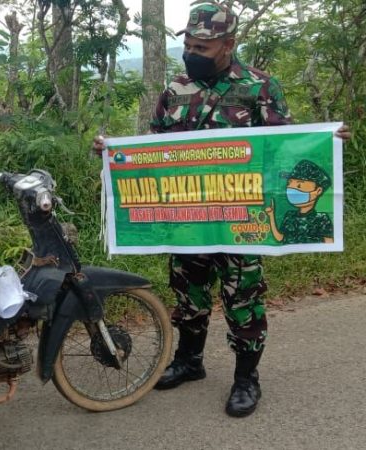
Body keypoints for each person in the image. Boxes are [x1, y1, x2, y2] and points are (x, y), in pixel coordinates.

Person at [94, 1, 351, 417]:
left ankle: (246, 379)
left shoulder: (260, 87)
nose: (192, 53)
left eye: (203, 47)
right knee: (188, 295)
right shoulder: (176, 90)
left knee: (243, 299)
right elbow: (153, 147)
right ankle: (190, 362)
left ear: (229, 44)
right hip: (189, 221)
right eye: (189, 45)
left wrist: (324, 143)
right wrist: (113, 153)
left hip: (242, 221)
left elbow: (286, 149)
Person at [265, 159, 334, 244]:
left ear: (318, 191)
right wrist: (271, 215)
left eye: (299, 185)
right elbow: (280, 238)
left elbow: (329, 242)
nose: (291, 189)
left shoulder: (321, 219)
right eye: (289, 184)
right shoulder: (289, 216)